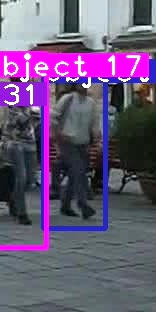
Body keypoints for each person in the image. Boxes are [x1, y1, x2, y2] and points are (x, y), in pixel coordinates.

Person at [51, 83, 101, 220]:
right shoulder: (67, 99)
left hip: (83, 142)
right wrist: (57, 133)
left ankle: (65, 205)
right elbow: (53, 116)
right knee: (78, 171)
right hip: (67, 141)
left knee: (75, 175)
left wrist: (96, 139)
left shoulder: (90, 103)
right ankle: (82, 203)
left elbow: (94, 122)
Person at [0, 100, 34, 225]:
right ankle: (22, 213)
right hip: (15, 143)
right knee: (21, 178)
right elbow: (18, 121)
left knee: (30, 180)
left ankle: (13, 199)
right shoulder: (12, 105)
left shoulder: (31, 105)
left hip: (30, 144)